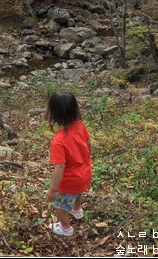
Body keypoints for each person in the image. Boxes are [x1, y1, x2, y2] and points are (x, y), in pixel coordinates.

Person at [44, 91, 92, 236]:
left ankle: (66, 228)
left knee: (59, 205)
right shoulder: (80, 125)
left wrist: (52, 190)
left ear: (54, 114)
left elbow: (60, 167)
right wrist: (86, 158)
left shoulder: (58, 141)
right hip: (85, 173)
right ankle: (77, 211)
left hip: (70, 180)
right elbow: (88, 143)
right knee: (78, 192)